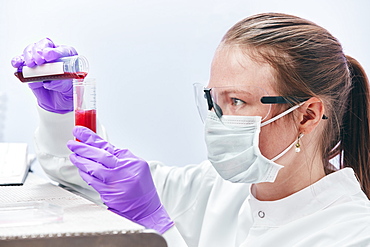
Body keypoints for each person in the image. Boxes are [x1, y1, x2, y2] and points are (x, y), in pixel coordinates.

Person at [11, 13, 370, 246]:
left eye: (238, 101)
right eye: (215, 101)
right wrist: (61, 114)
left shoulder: (351, 233)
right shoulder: (216, 187)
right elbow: (87, 183)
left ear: (307, 116)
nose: (218, 121)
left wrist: (159, 226)